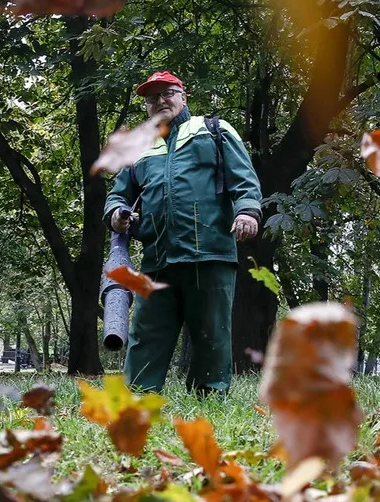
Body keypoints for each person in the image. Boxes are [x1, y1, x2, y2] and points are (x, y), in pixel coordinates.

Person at [105, 71, 263, 395]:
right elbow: (118, 195)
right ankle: (139, 398)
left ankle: (207, 397)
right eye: (152, 98)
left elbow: (245, 181)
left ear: (183, 95)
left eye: (167, 93)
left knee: (211, 334)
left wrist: (247, 211)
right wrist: (116, 214)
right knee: (147, 333)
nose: (160, 101)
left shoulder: (213, 130)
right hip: (157, 258)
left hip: (210, 252)